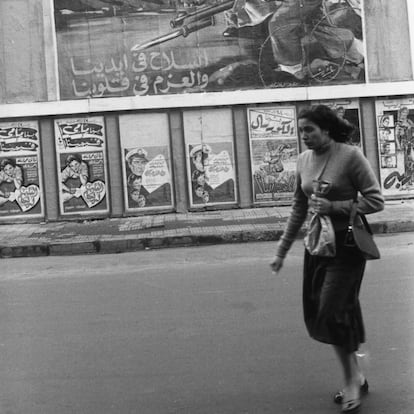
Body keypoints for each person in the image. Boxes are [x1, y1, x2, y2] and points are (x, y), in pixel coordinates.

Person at [270, 105, 384, 413]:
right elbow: (299, 207)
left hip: (347, 246)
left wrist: (335, 207)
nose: (304, 136)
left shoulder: (350, 156)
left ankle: (351, 382)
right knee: (336, 310)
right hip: (318, 245)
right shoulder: (303, 160)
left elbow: (376, 200)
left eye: (309, 130)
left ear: (327, 129)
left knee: (331, 311)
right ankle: (357, 373)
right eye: (301, 130)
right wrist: (281, 251)